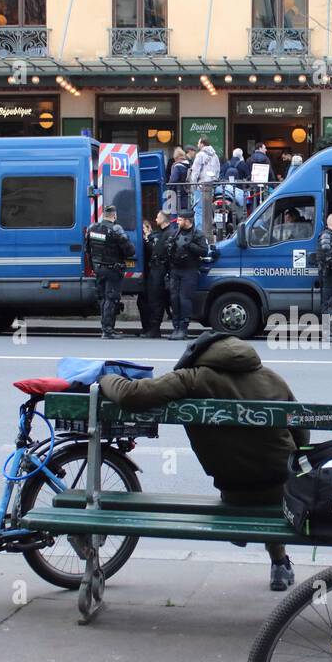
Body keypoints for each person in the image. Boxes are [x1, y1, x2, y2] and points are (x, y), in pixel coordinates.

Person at [96, 332, 309, 591]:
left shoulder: (194, 378)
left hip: (235, 490)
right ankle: (279, 563)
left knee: (247, 478)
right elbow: (301, 432)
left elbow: (132, 395)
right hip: (281, 487)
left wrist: (105, 378)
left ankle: (241, 532)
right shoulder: (273, 379)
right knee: (269, 473)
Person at [84, 203, 134, 338]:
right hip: (112, 269)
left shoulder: (92, 228)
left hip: (99, 269)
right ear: (114, 215)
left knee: (104, 299)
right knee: (111, 299)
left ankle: (105, 328)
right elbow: (130, 251)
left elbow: (88, 250)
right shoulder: (116, 229)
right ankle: (108, 330)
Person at [165, 211, 209, 341]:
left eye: (180, 219)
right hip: (175, 269)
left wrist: (190, 245)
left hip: (189, 270)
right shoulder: (175, 233)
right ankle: (176, 327)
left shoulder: (197, 234)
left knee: (184, 299)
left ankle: (183, 328)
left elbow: (204, 250)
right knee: (174, 299)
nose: (177, 222)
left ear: (187, 220)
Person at [140, 210, 174, 338]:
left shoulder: (168, 233)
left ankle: (154, 330)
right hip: (157, 269)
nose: (155, 219)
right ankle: (153, 329)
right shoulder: (162, 233)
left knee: (156, 301)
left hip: (160, 270)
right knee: (154, 301)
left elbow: (159, 252)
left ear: (164, 220)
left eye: (157, 217)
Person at [188, 137, 221, 232]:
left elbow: (195, 172)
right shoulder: (215, 156)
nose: (197, 145)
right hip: (211, 186)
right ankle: (208, 232)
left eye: (198, 143)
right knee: (207, 210)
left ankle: (199, 233)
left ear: (202, 144)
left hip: (200, 186)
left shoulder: (200, 155)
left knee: (198, 210)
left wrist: (193, 186)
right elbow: (218, 171)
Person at [166, 146, 190, 215]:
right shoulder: (188, 165)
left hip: (177, 193)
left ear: (176, 157)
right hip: (186, 192)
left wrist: (169, 191)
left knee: (174, 214)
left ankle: (175, 225)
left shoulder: (177, 166)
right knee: (184, 214)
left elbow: (173, 180)